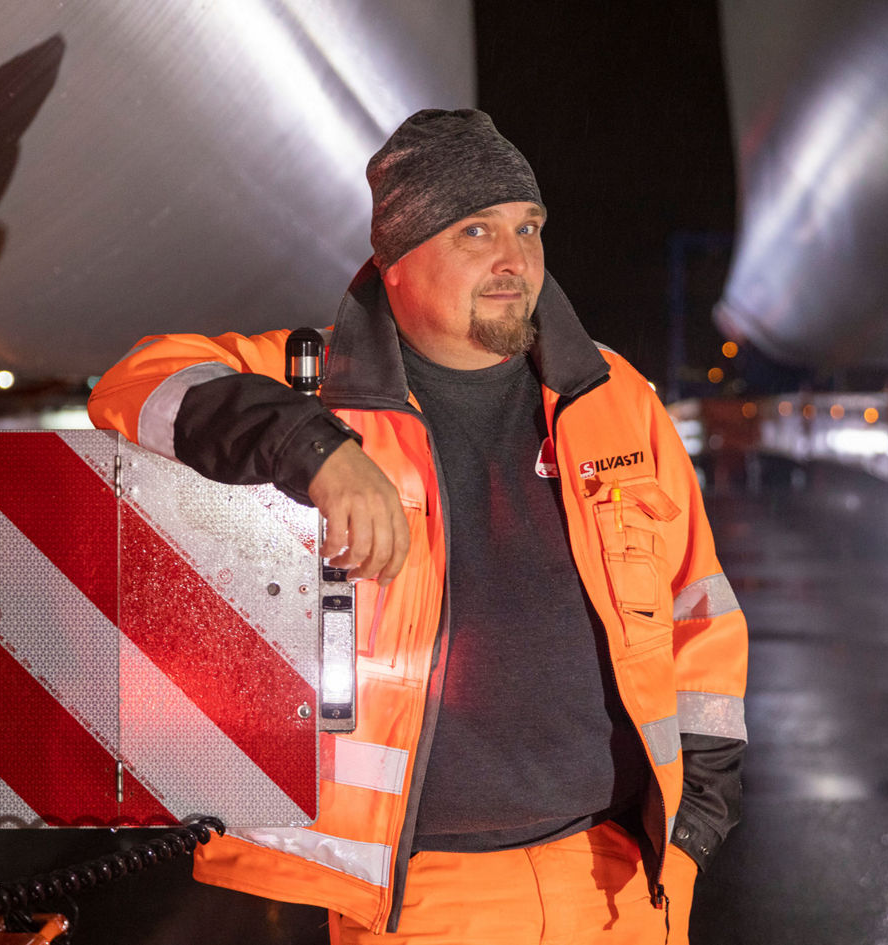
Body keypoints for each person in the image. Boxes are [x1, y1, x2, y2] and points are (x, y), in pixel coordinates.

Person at [87, 109, 747, 944]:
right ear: (396, 260)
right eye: (476, 230)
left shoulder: (614, 397)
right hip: (428, 896)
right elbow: (135, 381)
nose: (516, 259)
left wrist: (700, 812)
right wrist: (311, 447)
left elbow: (702, 611)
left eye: (529, 227)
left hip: (617, 882)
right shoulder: (316, 386)